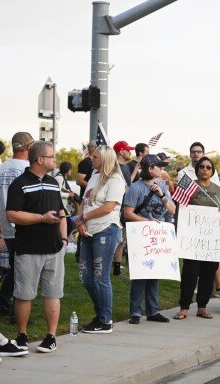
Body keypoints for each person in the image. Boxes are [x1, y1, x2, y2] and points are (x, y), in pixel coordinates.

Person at [6, 141, 67, 353]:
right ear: (40, 159)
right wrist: (41, 218)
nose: (55, 160)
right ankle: (21, 336)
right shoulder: (19, 183)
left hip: (54, 249)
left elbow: (61, 212)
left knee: (53, 294)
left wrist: (64, 239)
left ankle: (51, 337)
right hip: (28, 249)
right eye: (52, 156)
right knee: (24, 294)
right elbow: (12, 214)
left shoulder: (53, 182)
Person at [73, 146, 126, 334]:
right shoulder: (94, 175)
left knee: (100, 276)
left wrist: (84, 218)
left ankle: (105, 320)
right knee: (86, 277)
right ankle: (100, 314)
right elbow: (84, 203)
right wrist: (79, 220)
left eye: (95, 157)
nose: (91, 159)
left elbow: (108, 207)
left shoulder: (116, 180)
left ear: (105, 159)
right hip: (87, 231)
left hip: (106, 230)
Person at [123, 154, 175, 325]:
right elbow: (127, 213)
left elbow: (172, 210)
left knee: (155, 274)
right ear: (150, 169)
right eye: (159, 166)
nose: (162, 169)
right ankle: (136, 312)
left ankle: (153, 311)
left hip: (158, 237)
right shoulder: (135, 188)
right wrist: (147, 221)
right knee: (140, 275)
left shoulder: (161, 186)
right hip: (140, 235)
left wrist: (161, 195)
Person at [173, 157, 220, 320]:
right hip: (192, 241)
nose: (205, 169)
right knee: (190, 274)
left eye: (208, 167)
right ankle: (184, 308)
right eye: (202, 167)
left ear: (212, 171)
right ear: (197, 170)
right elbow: (179, 209)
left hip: (212, 241)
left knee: (208, 274)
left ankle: (202, 307)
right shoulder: (189, 186)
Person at [0, 132, 33, 321]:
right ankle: (13, 310)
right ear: (29, 147)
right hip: (23, 225)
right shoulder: (29, 169)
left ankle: (5, 305)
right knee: (22, 270)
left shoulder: (0, 168)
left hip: (7, 227)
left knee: (16, 268)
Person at [113, 140, 136, 276]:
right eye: (128, 150)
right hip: (116, 208)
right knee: (115, 239)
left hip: (125, 206)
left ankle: (117, 268)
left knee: (122, 240)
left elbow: (128, 184)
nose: (130, 152)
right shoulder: (113, 167)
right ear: (121, 151)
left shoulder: (126, 167)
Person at [54, 161, 77, 234]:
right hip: (60, 206)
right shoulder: (59, 178)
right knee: (68, 226)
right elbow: (56, 192)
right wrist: (68, 195)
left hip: (63, 205)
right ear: (67, 169)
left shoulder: (62, 177)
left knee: (68, 225)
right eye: (71, 169)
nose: (71, 171)